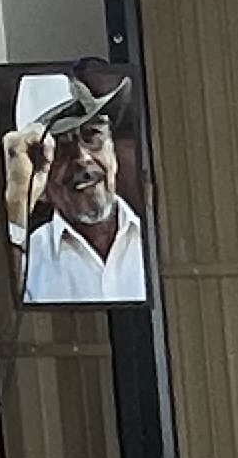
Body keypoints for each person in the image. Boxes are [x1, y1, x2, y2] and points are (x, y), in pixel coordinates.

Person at [9, 68, 145, 301]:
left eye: (92, 134)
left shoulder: (158, 238)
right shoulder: (28, 261)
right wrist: (18, 202)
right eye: (60, 148)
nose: (82, 158)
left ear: (112, 147)